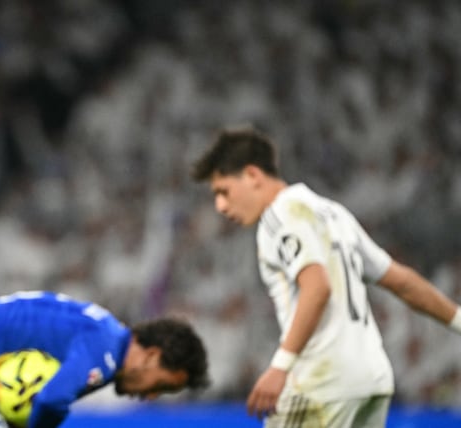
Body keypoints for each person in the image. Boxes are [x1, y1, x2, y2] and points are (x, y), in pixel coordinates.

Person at [190, 126, 461, 427]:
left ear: (253, 175)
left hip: (322, 382)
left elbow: (317, 287)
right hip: (371, 380)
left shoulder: (280, 216)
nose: (220, 206)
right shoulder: (333, 213)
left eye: (223, 191)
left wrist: (280, 366)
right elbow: (403, 282)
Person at [0, 290, 209, 428]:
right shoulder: (105, 352)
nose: (151, 396)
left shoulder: (107, 336)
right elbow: (51, 400)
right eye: (161, 386)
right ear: (151, 356)